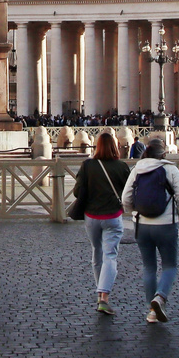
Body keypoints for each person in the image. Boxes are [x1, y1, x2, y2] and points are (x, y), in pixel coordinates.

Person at [122, 136, 179, 324]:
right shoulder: (170, 169)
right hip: (166, 224)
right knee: (170, 266)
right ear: (164, 153)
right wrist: (178, 214)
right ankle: (160, 297)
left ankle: (152, 311)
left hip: (142, 224)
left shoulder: (137, 169)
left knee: (149, 267)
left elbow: (125, 197)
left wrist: (134, 212)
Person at [73, 131, 130, 316]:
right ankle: (104, 296)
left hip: (92, 216)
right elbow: (128, 193)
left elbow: (76, 192)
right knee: (110, 256)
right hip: (113, 216)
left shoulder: (88, 165)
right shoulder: (121, 166)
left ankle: (100, 295)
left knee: (96, 254)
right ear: (115, 146)